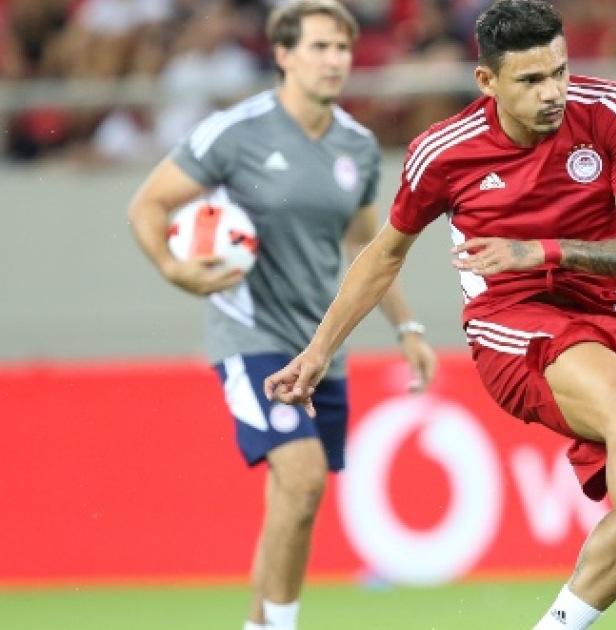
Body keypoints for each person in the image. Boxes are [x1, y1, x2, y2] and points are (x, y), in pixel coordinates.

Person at [264, 1, 616, 629]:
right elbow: (384, 255)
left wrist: (542, 249)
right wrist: (318, 351)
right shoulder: (443, 152)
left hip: (610, 314)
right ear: (487, 81)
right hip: (511, 320)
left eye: (559, 72)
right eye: (530, 80)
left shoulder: (613, 111)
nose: (552, 92)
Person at [125, 2, 437, 629]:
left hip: (320, 347)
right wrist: (174, 268)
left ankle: (259, 624)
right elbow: (147, 205)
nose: (334, 60)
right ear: (284, 55)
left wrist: (406, 329)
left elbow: (368, 250)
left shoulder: (355, 145)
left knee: (291, 502)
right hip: (251, 336)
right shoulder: (233, 132)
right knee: (302, 478)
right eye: (319, 47)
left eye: (342, 48)